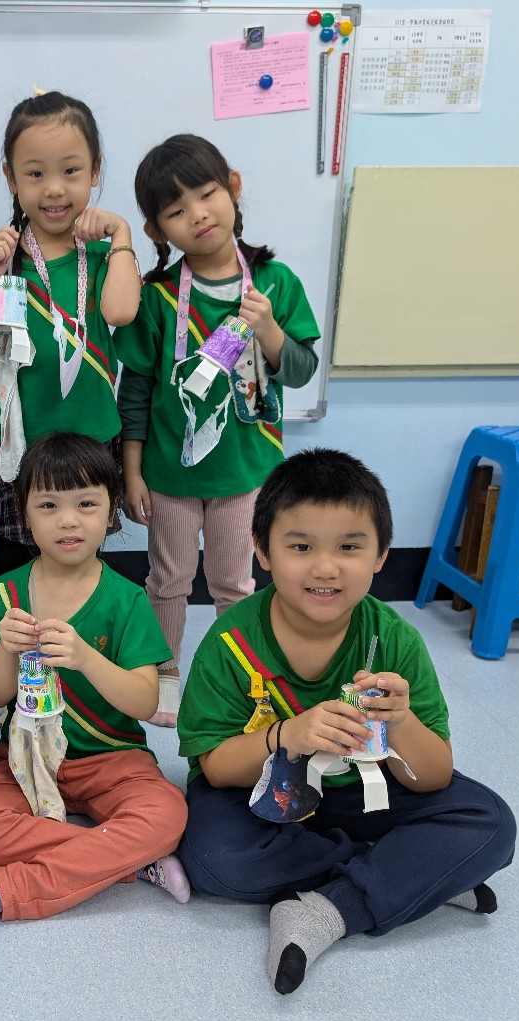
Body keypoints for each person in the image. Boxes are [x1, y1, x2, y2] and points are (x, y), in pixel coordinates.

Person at [176, 448, 516, 994]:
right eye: (301, 546)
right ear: (261, 550)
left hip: (363, 793)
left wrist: (400, 722)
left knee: (491, 823)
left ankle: (329, 908)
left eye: (350, 547)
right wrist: (286, 735)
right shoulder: (230, 642)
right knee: (212, 859)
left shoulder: (394, 640)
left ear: (382, 555)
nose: (325, 568)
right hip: (264, 799)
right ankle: (407, 876)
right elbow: (215, 768)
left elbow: (432, 776)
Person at [0, 432, 190, 936]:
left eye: (86, 504)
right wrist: (6, 650)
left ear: (111, 511)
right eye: (49, 505)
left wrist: (86, 658)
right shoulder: (4, 592)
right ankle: (129, 859)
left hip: (113, 760)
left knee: (167, 813)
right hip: (24, 759)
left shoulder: (127, 599)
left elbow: (145, 702)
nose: (68, 520)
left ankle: (4, 891)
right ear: (25, 515)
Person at [116, 134, 322, 728]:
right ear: (155, 230)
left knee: (235, 584)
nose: (198, 214)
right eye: (175, 210)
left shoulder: (275, 282)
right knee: (167, 581)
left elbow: (301, 370)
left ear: (233, 188)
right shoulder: (157, 298)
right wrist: (132, 472)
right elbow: (136, 391)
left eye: (207, 194)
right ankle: (162, 676)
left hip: (244, 473)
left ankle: (238, 678)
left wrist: (271, 332)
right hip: (169, 475)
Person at [0, 91, 141, 579]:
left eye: (71, 171)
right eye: (35, 174)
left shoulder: (104, 257)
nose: (54, 189)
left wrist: (121, 233)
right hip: (21, 443)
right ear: (10, 178)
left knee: (82, 567)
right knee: (17, 573)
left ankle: (75, 634)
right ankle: (20, 635)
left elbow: (120, 311)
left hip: (90, 442)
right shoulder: (1, 260)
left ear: (95, 171)